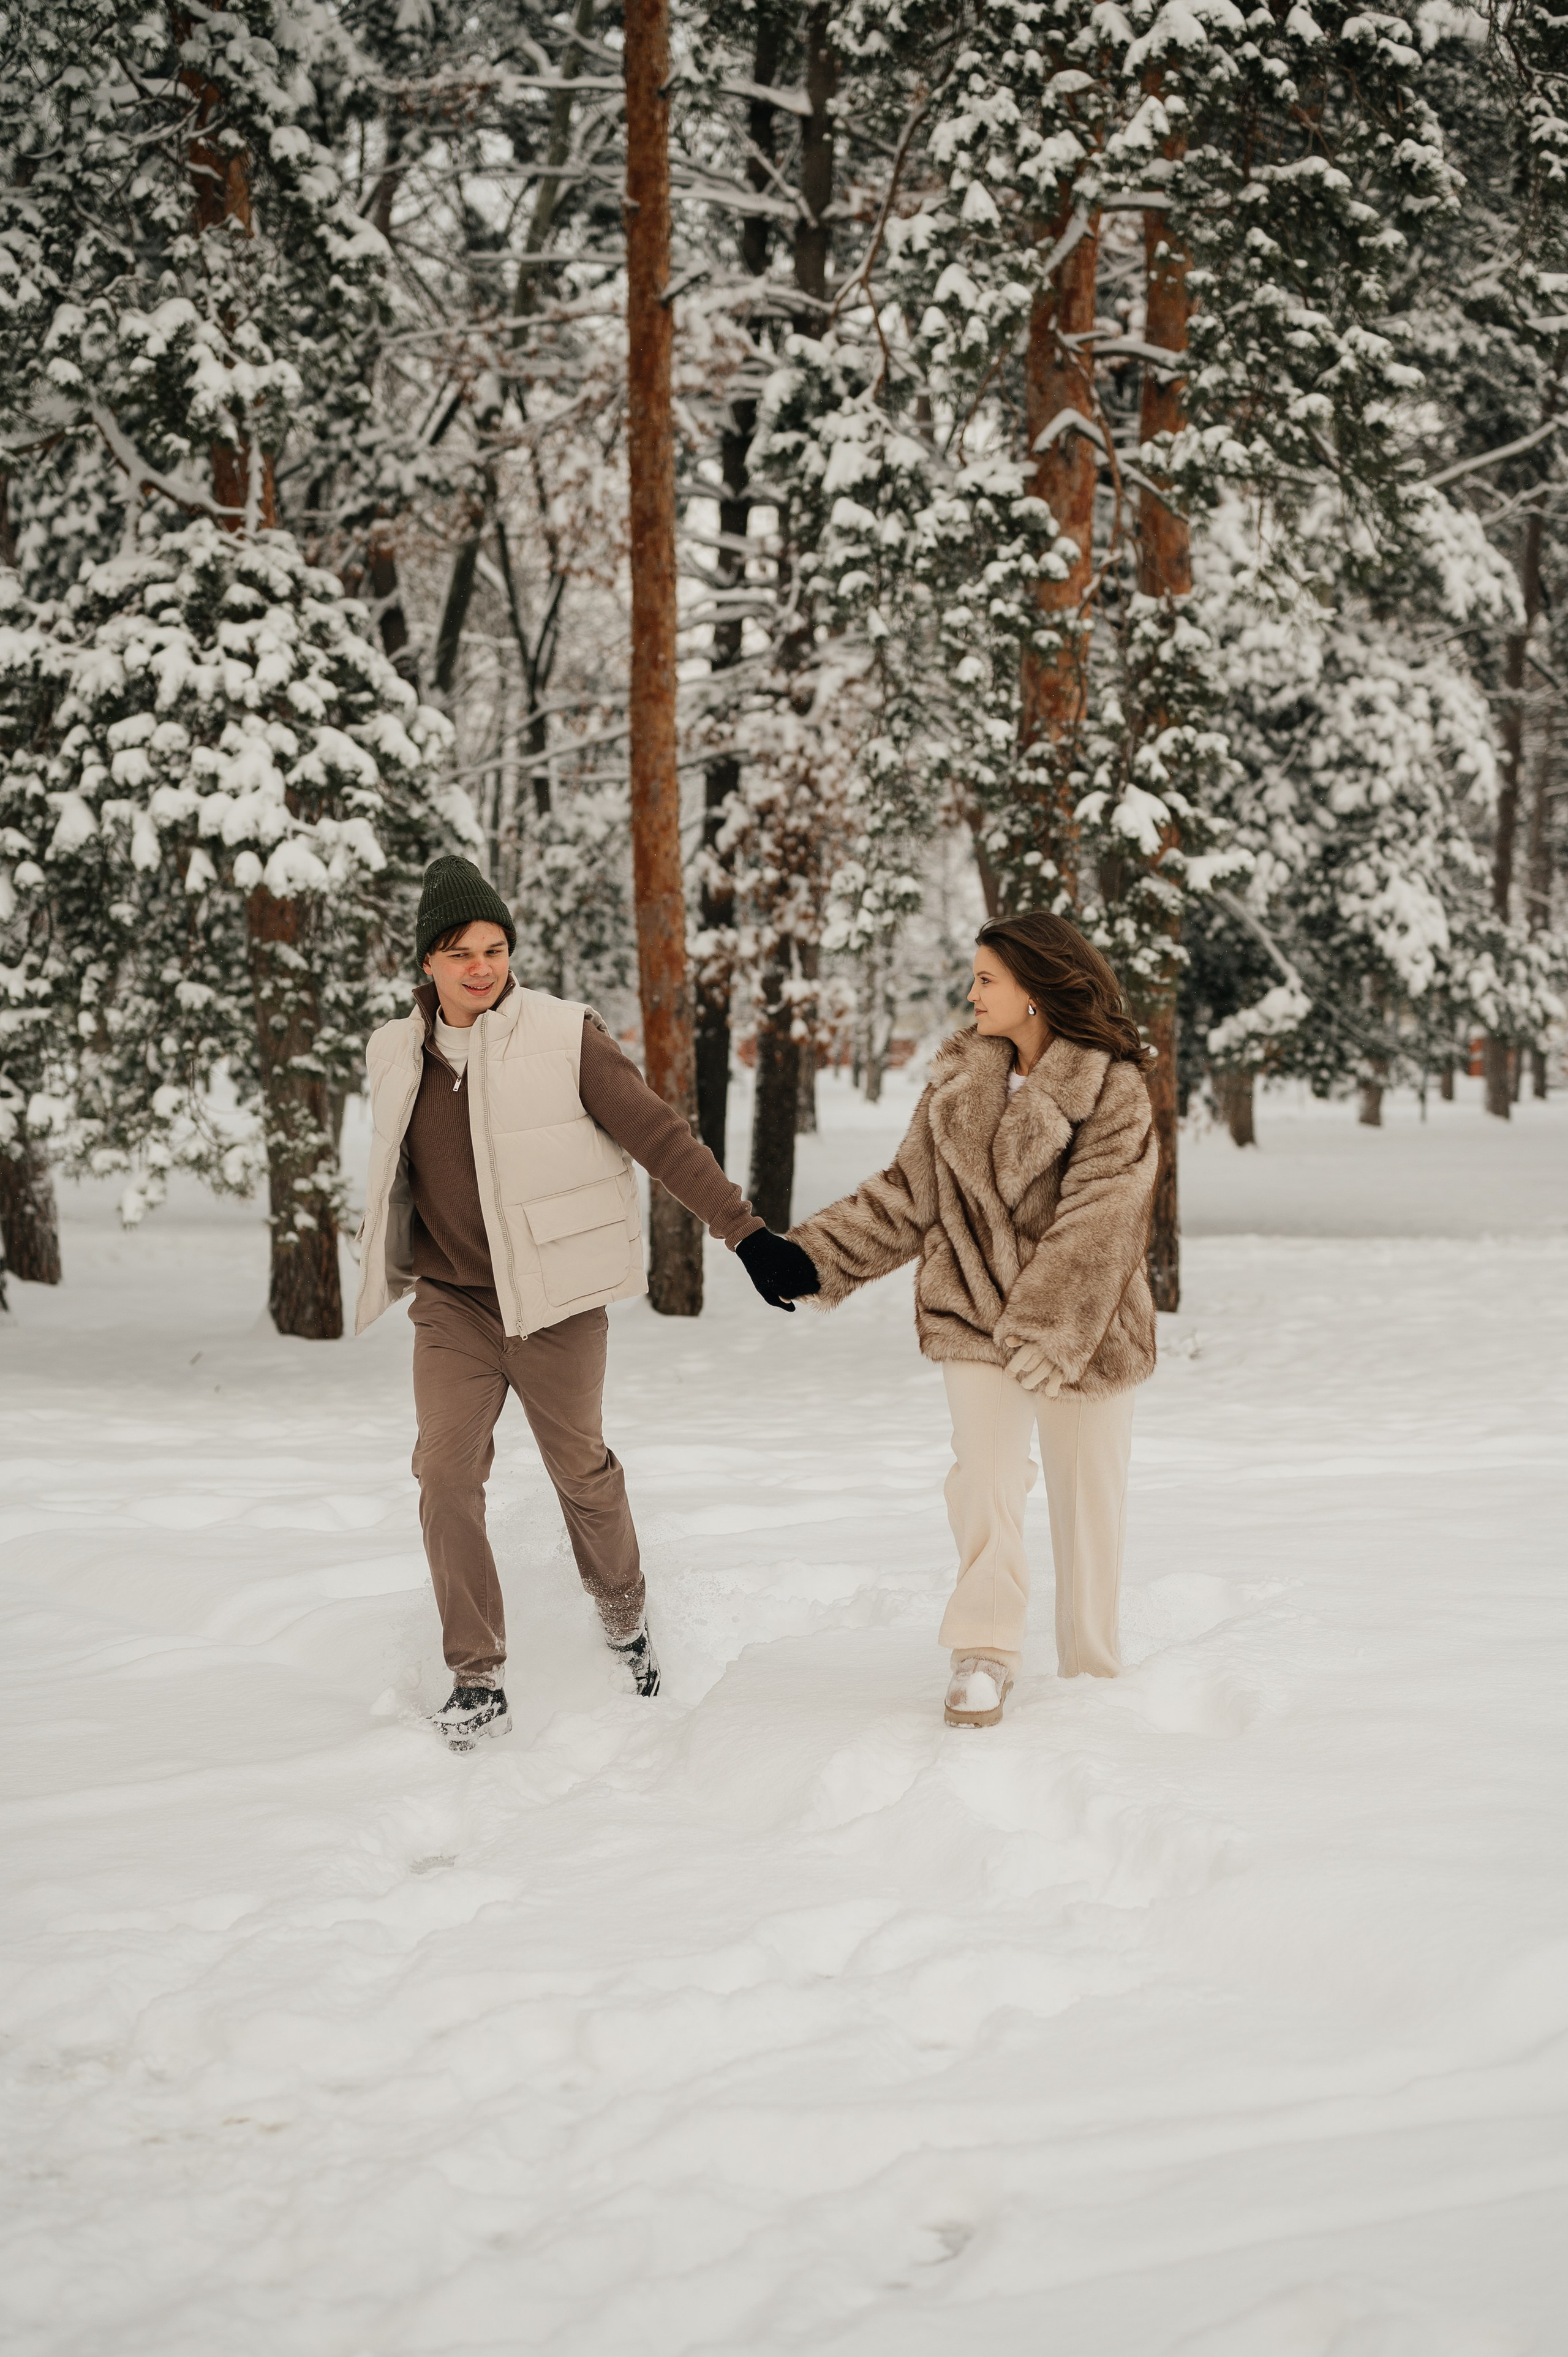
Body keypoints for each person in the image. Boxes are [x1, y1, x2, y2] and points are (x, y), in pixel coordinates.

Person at [355, 856, 818, 1749]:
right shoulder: (392, 1050)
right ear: (427, 964)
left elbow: (658, 1134)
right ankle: (476, 1677)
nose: (481, 967)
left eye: (495, 949)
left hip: (557, 1305)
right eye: (460, 953)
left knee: (583, 1473)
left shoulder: (566, 1037)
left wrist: (745, 1233)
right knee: (445, 1475)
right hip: (454, 1306)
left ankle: (624, 1621)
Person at [779, 913, 1158, 1729]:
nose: (971, 993)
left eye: (986, 978)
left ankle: (1092, 1666)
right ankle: (984, 1652)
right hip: (973, 1311)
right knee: (983, 1475)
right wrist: (810, 1259)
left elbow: (1103, 1220)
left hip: (1083, 1326)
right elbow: (906, 1195)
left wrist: (1050, 1333)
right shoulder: (957, 1086)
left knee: (1090, 1499)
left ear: (1035, 990)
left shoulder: (1113, 1089)